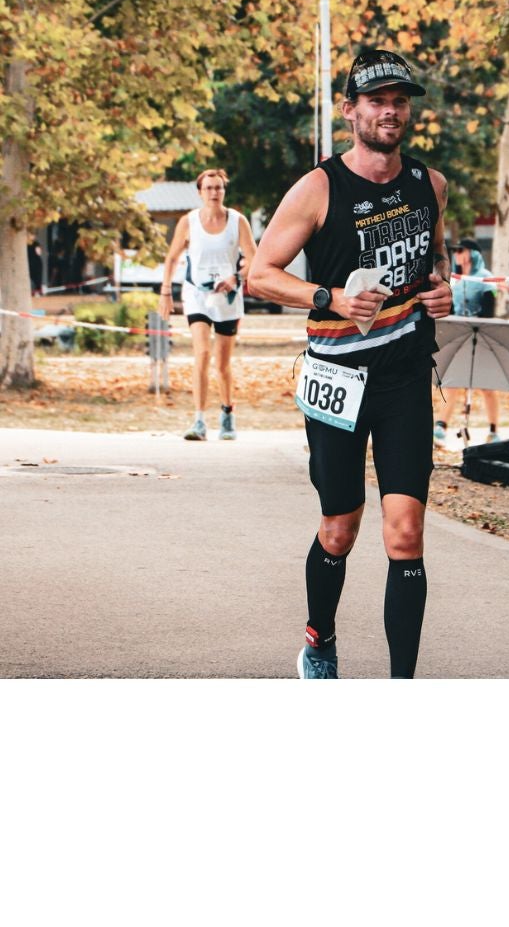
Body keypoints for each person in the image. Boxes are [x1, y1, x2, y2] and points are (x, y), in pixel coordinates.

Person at [248, 48, 453, 679]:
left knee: (405, 533)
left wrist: (442, 288)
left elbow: (434, 260)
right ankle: (320, 639)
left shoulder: (430, 185)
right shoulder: (319, 188)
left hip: (404, 376)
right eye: (376, 101)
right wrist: (328, 298)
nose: (390, 112)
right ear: (350, 111)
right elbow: (259, 274)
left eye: (399, 101)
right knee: (339, 528)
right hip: (337, 378)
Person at [160, 169, 257, 441]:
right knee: (202, 353)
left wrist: (235, 277)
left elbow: (254, 259)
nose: (214, 193)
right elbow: (172, 258)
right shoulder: (188, 222)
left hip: (227, 298)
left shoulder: (237, 221)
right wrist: (165, 291)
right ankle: (199, 421)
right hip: (197, 295)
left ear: (224, 191)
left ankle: (227, 414)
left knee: (222, 364)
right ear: (200, 192)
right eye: (209, 188)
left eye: (218, 188)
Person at [434, 238, 502, 445]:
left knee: (487, 386)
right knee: (452, 383)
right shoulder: (455, 279)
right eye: (454, 251)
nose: (456, 255)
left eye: (460, 251)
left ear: (472, 254)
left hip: (482, 336)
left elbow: (489, 310)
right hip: (460, 337)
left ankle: (493, 430)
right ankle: (441, 427)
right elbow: (451, 309)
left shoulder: (486, 278)